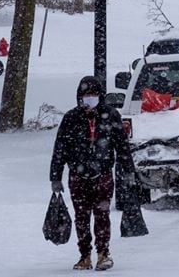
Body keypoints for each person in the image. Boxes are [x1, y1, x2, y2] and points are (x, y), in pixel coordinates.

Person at [49, 75, 137, 271]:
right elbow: (60, 148)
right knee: (81, 216)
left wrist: (129, 171)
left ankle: (103, 253)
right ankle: (84, 255)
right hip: (78, 177)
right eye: (85, 95)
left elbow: (122, 146)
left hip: (103, 175)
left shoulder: (111, 115)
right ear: (79, 97)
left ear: (100, 96)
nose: (89, 98)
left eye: (93, 94)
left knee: (102, 215)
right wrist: (55, 176)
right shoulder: (71, 118)